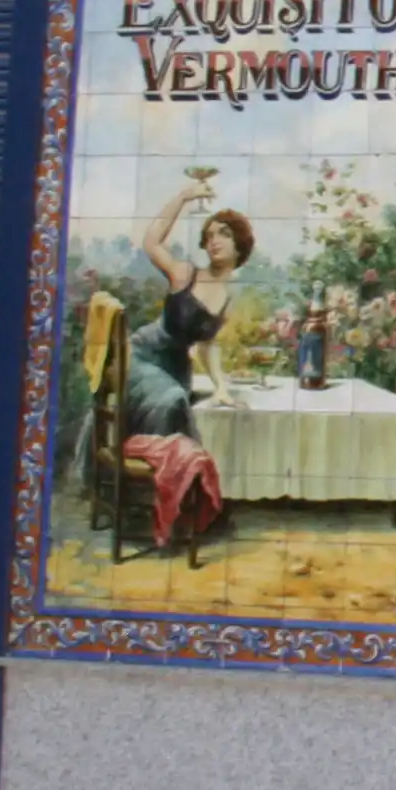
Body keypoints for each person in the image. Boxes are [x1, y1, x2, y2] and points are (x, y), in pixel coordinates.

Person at [119, 183, 253, 553]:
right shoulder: (186, 273)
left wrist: (222, 387)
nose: (213, 242)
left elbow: (206, 347)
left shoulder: (227, 298)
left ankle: (175, 504)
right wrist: (182, 198)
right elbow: (151, 242)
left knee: (185, 399)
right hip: (144, 356)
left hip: (175, 367)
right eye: (208, 236)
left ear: (241, 245)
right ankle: (159, 505)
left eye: (223, 235)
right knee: (172, 400)